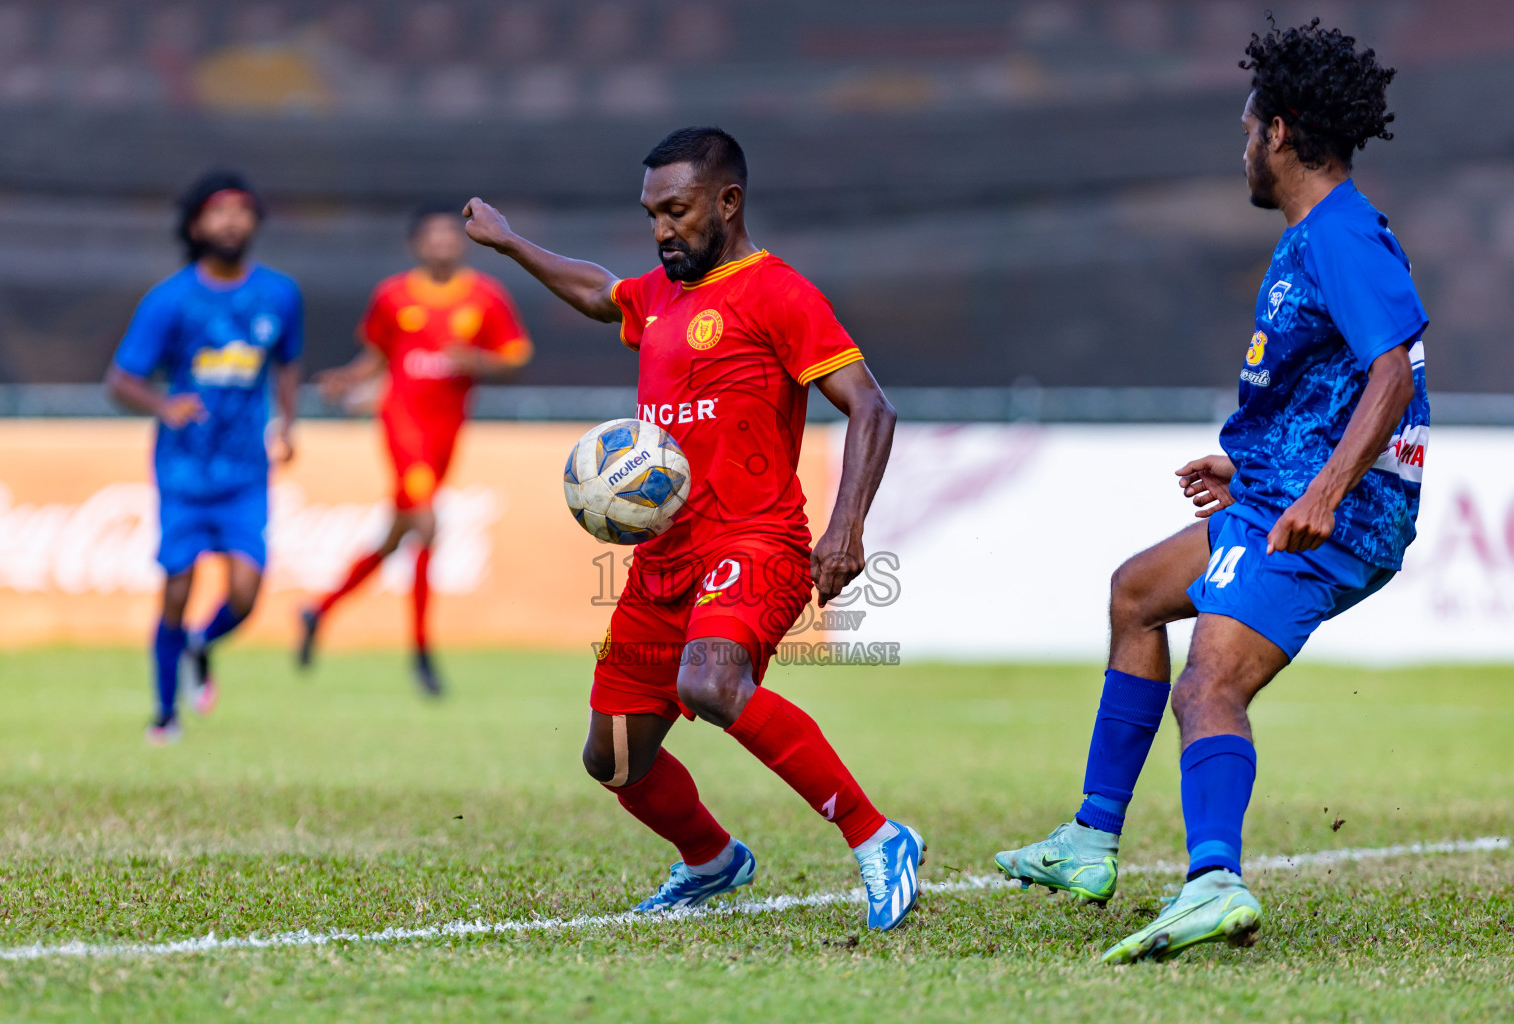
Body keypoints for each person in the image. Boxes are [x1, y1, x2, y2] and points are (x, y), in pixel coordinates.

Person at [994, 19, 1427, 963]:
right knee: (1138, 593)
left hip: (1325, 516)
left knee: (1209, 687)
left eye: (1245, 131)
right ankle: (1092, 840)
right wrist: (1263, 459)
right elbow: (1344, 380)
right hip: (1283, 488)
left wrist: (1322, 491)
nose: (1242, 150)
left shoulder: (1342, 235)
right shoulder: (1321, 236)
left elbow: (1392, 374)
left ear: (1278, 132)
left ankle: (1213, 881)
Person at [462, 126, 924, 930]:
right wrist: (508, 245)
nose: (661, 231)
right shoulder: (660, 295)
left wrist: (846, 531)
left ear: (728, 201)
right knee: (614, 761)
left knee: (709, 684)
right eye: (650, 215)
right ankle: (712, 860)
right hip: (662, 562)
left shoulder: (779, 293)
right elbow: (599, 292)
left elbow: (871, 407)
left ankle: (878, 836)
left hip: (756, 543)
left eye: (675, 211)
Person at [298, 203, 533, 695]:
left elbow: (516, 357)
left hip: (447, 431)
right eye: (433, 236)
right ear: (417, 245)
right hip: (401, 423)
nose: (443, 243)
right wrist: (345, 378)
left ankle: (318, 610)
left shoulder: (485, 298)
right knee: (427, 524)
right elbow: (376, 358)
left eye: (451, 236)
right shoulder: (393, 296)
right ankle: (422, 653)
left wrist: (477, 361)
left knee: (398, 534)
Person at [106, 170, 303, 744]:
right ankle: (165, 714)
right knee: (177, 589)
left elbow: (288, 362)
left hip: (246, 471)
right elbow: (120, 379)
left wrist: (287, 425)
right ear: (196, 225)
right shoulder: (171, 300)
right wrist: (164, 405)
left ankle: (199, 646)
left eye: (243, 210)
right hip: (184, 471)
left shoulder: (280, 294)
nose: (232, 221)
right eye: (219, 211)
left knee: (245, 592)